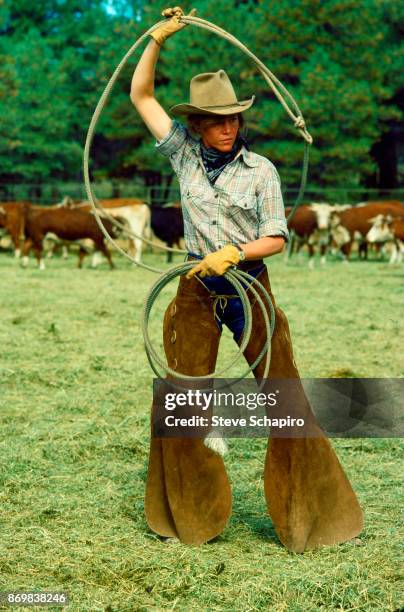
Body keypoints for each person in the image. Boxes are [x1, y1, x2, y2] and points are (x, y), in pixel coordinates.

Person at [130, 7, 363, 551]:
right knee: (183, 399)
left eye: (233, 117)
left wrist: (233, 252)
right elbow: (142, 96)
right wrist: (156, 40)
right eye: (216, 119)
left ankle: (316, 519)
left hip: (249, 287)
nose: (228, 125)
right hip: (194, 289)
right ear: (197, 125)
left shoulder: (261, 171)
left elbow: (277, 238)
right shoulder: (183, 157)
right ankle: (189, 520)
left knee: (284, 396)